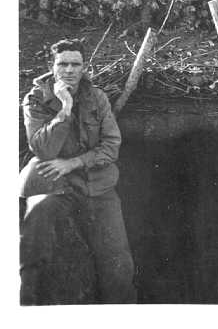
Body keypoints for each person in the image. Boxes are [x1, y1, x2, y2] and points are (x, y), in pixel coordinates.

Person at [19, 38, 136, 304]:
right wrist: (65, 109)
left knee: (118, 265)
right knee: (32, 250)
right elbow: (43, 150)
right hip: (57, 185)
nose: (69, 70)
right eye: (63, 64)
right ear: (53, 66)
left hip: (98, 186)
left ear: (84, 67)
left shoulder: (97, 97)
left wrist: (74, 162)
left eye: (76, 64)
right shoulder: (36, 98)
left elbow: (111, 146)